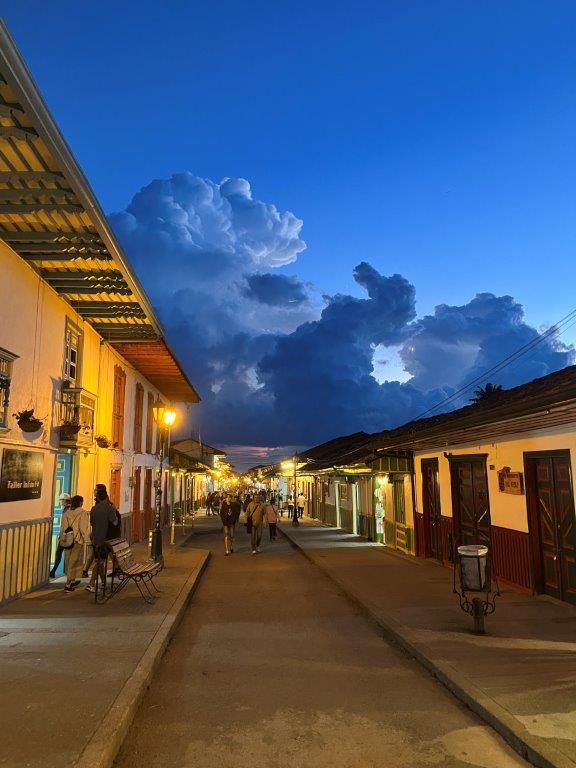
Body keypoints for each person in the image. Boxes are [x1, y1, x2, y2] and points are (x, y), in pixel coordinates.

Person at [86, 487, 120, 593]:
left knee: (99, 561)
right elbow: (115, 522)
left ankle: (103, 583)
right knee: (100, 562)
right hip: (105, 539)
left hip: (95, 538)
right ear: (106, 497)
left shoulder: (93, 509)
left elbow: (92, 523)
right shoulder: (109, 508)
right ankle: (91, 583)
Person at [61, 495, 90, 592]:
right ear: (80, 503)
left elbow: (63, 527)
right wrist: (87, 540)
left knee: (68, 560)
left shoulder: (66, 513)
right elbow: (83, 528)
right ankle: (68, 584)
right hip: (77, 540)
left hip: (67, 541)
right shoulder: (83, 513)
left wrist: (63, 538)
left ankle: (72, 580)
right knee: (74, 562)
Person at [49, 493, 72, 578]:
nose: (60, 502)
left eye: (61, 500)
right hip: (66, 534)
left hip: (66, 535)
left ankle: (54, 571)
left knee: (59, 553)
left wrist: (62, 534)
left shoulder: (67, 510)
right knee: (60, 553)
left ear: (65, 501)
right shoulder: (67, 509)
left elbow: (65, 524)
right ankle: (54, 571)